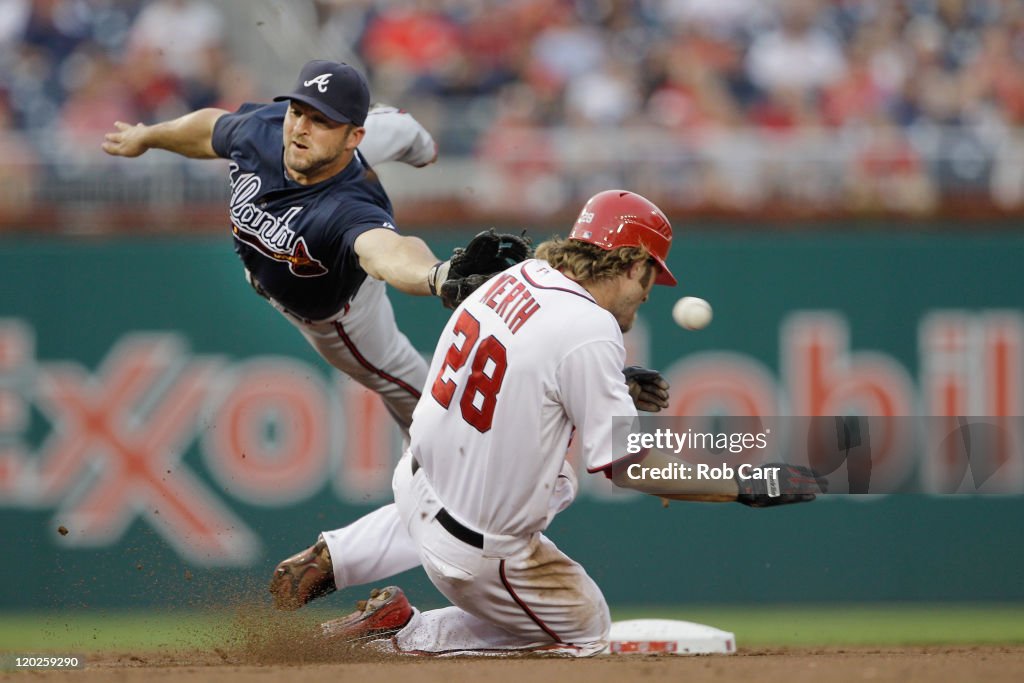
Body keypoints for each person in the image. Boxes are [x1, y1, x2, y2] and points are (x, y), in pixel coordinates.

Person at [276, 189, 825, 656]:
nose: (645, 296)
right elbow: (629, 468)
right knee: (588, 630)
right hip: (474, 553)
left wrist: (614, 384)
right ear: (633, 263)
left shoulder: (515, 278)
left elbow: (527, 365)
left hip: (415, 487)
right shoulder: (589, 329)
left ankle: (348, 552)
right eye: (649, 279)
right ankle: (405, 637)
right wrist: (745, 486)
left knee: (549, 479)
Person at [101, 60, 501, 441]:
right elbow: (209, 129)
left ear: (351, 135)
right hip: (317, 199)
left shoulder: (348, 208)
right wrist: (148, 135)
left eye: (321, 120)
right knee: (373, 136)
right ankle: (408, 136)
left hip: (342, 311)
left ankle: (451, 463)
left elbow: (387, 252)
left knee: (413, 393)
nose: (301, 128)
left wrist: (435, 274)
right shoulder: (267, 128)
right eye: (298, 111)